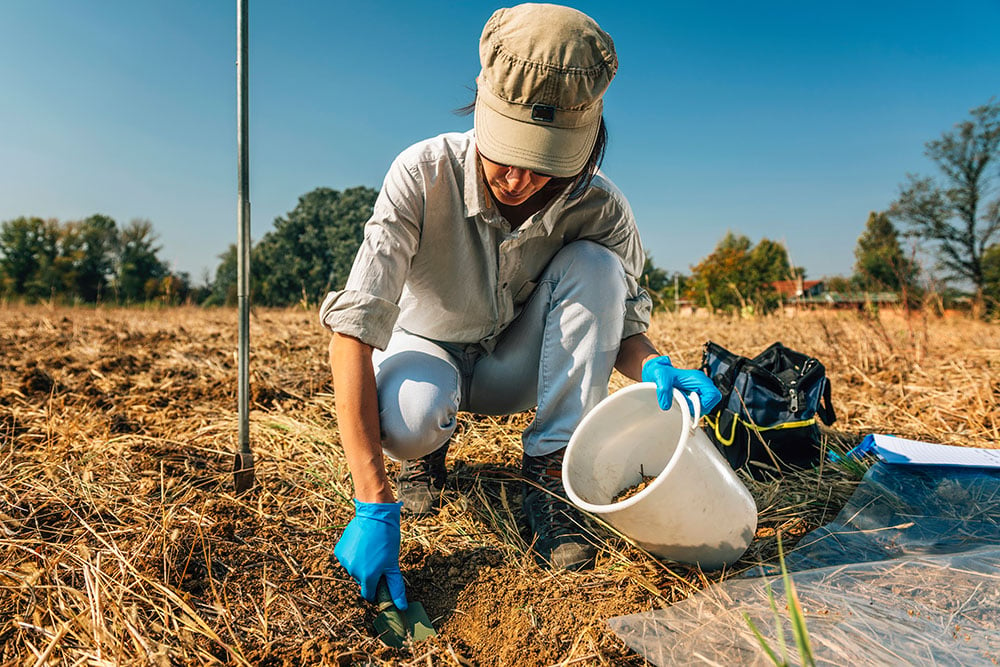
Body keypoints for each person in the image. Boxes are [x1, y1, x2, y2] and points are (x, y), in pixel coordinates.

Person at [320, 3, 721, 611]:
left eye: (545, 163)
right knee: (412, 418)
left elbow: (622, 331)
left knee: (596, 265)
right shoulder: (420, 174)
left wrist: (656, 369)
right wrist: (373, 503)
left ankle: (550, 472)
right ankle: (428, 461)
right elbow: (353, 332)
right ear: (482, 108)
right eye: (507, 152)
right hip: (427, 348)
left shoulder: (601, 209)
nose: (518, 179)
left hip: (515, 364)